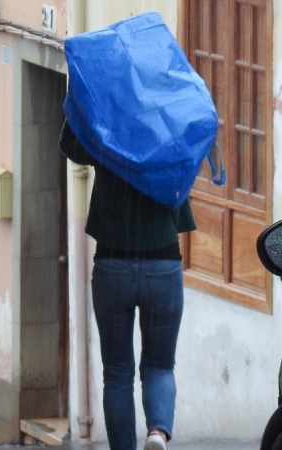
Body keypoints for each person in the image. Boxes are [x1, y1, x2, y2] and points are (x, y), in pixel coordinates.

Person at [59, 121, 195, 450]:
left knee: (117, 372)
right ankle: (157, 433)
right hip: (163, 264)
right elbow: (194, 150)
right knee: (160, 364)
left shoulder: (110, 125)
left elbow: (72, 147)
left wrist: (80, 99)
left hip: (112, 265)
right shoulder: (167, 122)